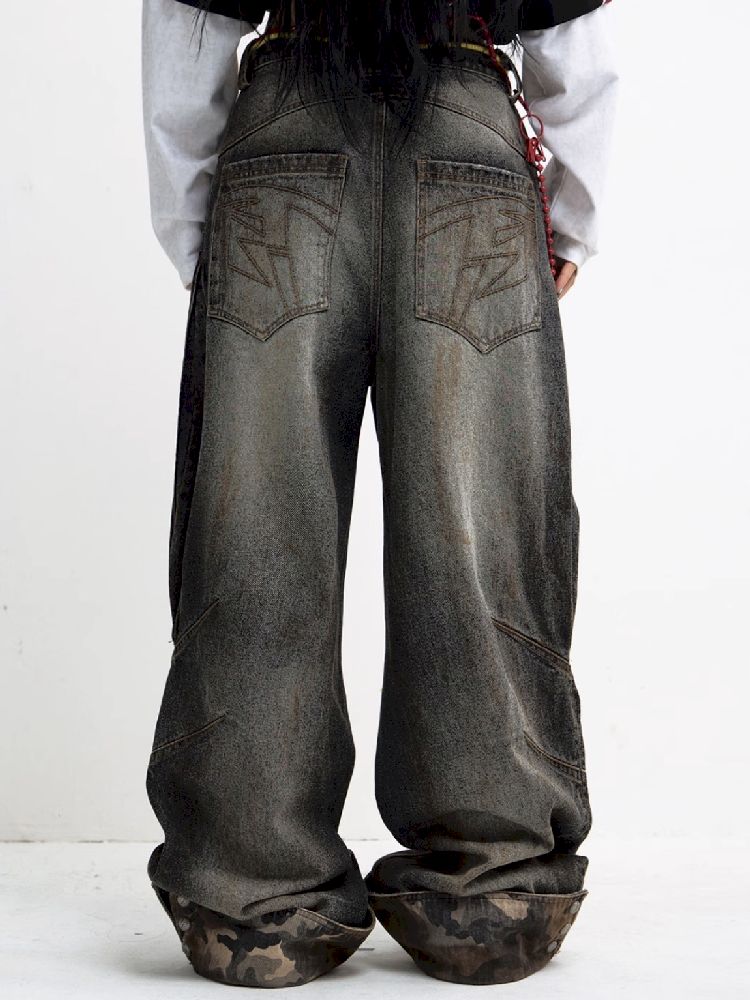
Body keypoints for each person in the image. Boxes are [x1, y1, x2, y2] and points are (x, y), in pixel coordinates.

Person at [141, 0, 619, 988]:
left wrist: (197, 231)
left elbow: (185, 27)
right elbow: (574, 48)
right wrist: (573, 213)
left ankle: (251, 898)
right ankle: (491, 895)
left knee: (257, 524)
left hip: (284, 138)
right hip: (467, 131)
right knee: (477, 529)